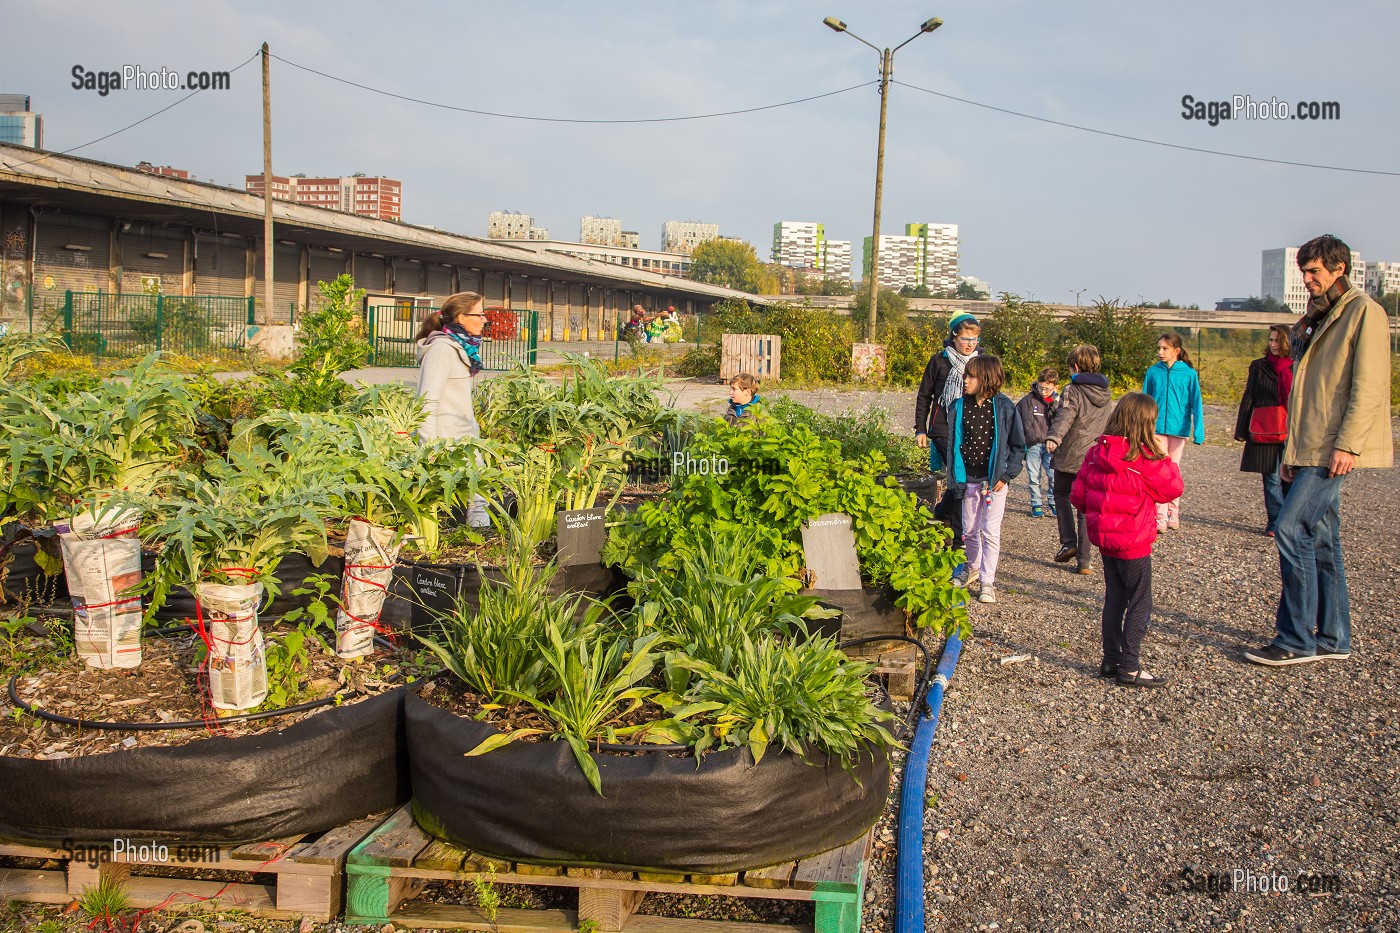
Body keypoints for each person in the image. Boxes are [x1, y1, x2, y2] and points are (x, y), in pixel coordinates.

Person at [1246, 234, 1393, 667]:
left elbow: (1368, 386)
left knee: (1290, 528)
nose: (1307, 279)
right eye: (1303, 272)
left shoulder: (1363, 312)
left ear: (1339, 269)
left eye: (1313, 272)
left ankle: (1295, 639)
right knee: (1325, 541)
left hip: (1335, 446)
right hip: (1308, 446)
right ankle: (1333, 636)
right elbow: (1307, 392)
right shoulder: (1314, 317)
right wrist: (1292, 453)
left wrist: (1348, 444)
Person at [1071, 393, 1184, 688]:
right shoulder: (1144, 458)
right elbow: (1173, 489)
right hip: (1133, 543)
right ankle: (1130, 665)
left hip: (1106, 542)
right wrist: (1163, 455)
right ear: (1146, 424)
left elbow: (1078, 497)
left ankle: (1111, 659)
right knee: (1140, 601)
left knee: (1115, 598)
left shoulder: (1096, 453)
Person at [930, 355, 1025, 604]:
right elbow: (953, 443)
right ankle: (972, 568)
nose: (965, 380)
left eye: (970, 376)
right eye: (965, 375)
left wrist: (1006, 475)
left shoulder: (1005, 408)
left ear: (986, 379)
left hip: (994, 482)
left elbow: (1018, 445)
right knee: (970, 531)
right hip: (968, 479)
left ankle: (987, 580)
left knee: (990, 532)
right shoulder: (959, 406)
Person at [415, 291, 490, 527]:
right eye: (479, 314)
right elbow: (426, 402)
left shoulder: (461, 349)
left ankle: (482, 545)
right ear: (460, 317)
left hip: (465, 442)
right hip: (447, 446)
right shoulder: (441, 350)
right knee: (443, 506)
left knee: (479, 501)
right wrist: (429, 448)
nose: (484, 319)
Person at [914, 313, 981, 549]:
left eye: (975, 339)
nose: (970, 344)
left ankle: (943, 511)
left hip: (972, 428)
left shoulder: (981, 361)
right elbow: (924, 396)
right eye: (965, 338)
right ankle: (959, 536)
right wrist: (920, 430)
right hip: (943, 428)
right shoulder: (939, 360)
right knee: (958, 477)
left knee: (962, 480)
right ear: (954, 336)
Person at [1045, 345, 1112, 575]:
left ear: (1075, 366)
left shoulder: (1072, 389)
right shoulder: (1106, 392)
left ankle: (1068, 542)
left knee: (1061, 495)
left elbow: (1066, 415)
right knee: (1085, 507)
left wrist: (1054, 436)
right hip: (1094, 455)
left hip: (1071, 453)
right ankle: (1085, 560)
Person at [1233, 324, 1294, 536]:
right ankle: (1275, 523)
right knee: (1271, 478)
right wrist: (1241, 428)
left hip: (1291, 430)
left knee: (1290, 477)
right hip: (1265, 430)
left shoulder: (1296, 366)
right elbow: (1248, 396)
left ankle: (1289, 522)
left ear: (1288, 342)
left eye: (1278, 340)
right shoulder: (1258, 366)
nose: (1273, 344)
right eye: (1271, 340)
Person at [1141, 333, 1204, 533]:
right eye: (1158, 348)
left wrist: (1199, 431)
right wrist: (1142, 427)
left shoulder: (1188, 374)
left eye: (1164, 348)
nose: (1160, 352)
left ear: (1176, 350)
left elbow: (1197, 403)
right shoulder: (1152, 372)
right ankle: (1159, 516)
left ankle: (1172, 512)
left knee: (1173, 471)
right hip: (1156, 429)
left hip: (1179, 429)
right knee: (1159, 471)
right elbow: (1144, 401)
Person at [1016, 367, 1060, 518]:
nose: (1043, 392)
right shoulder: (1028, 401)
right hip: (1033, 444)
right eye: (1041, 388)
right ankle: (1036, 503)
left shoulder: (1058, 403)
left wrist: (1053, 404)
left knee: (1053, 475)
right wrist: (1025, 442)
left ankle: (1053, 501)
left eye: (1047, 389)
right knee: (1034, 476)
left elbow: (1061, 422)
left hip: (1051, 445)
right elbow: (1021, 421)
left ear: (1055, 387)